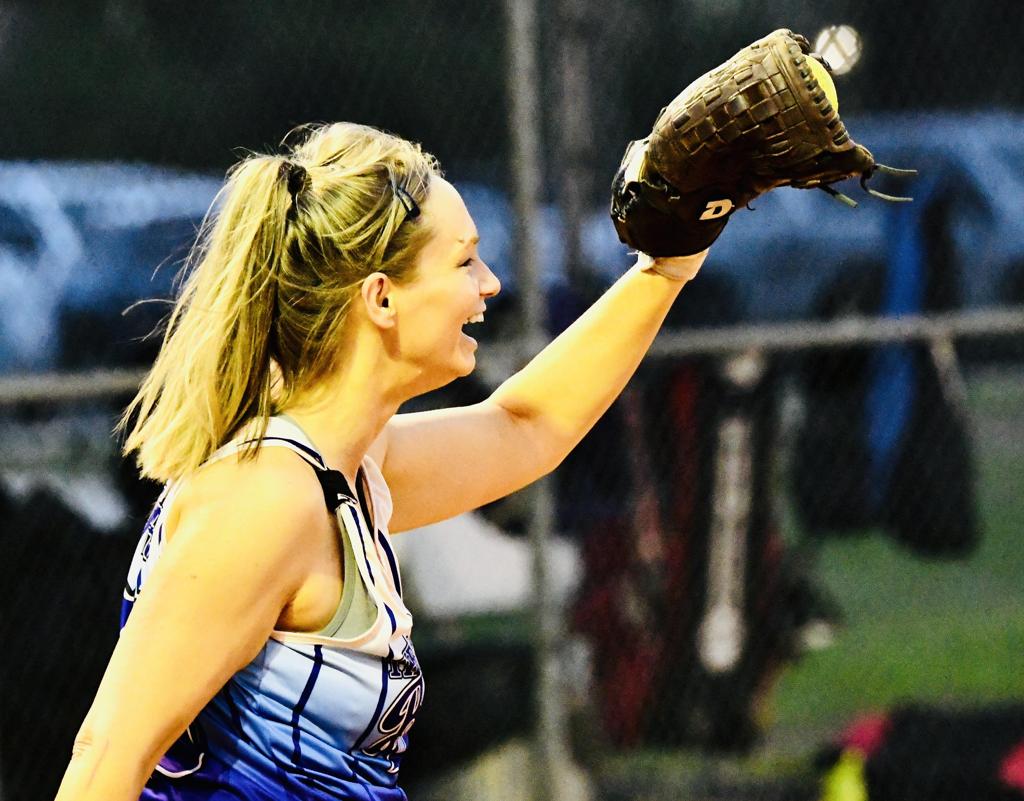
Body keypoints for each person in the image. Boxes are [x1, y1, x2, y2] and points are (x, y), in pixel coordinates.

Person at [54, 121, 707, 801]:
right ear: (382, 298)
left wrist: (667, 266)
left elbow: (527, 428)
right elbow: (108, 755)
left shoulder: (347, 469)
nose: (489, 284)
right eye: (464, 262)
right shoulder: (266, 500)